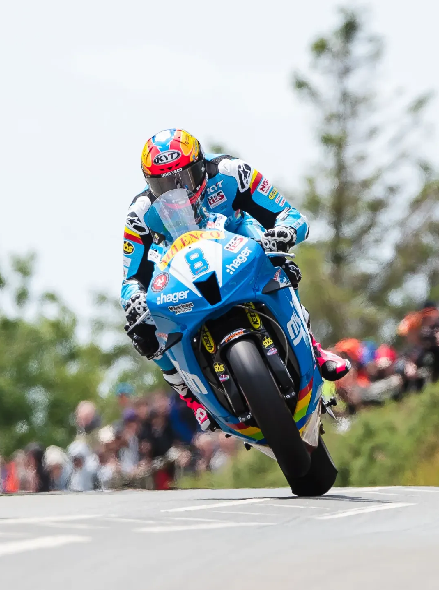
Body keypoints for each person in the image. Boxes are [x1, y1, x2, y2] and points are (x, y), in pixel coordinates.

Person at [120, 129, 349, 430]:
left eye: (183, 179)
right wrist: (134, 299)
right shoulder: (140, 215)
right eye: (163, 185)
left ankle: (313, 349)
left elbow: (292, 216)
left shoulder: (232, 173)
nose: (177, 191)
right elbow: (130, 279)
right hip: (178, 271)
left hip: (238, 245)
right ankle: (192, 397)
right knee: (142, 327)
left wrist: (284, 233)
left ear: (201, 165)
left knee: (280, 263)